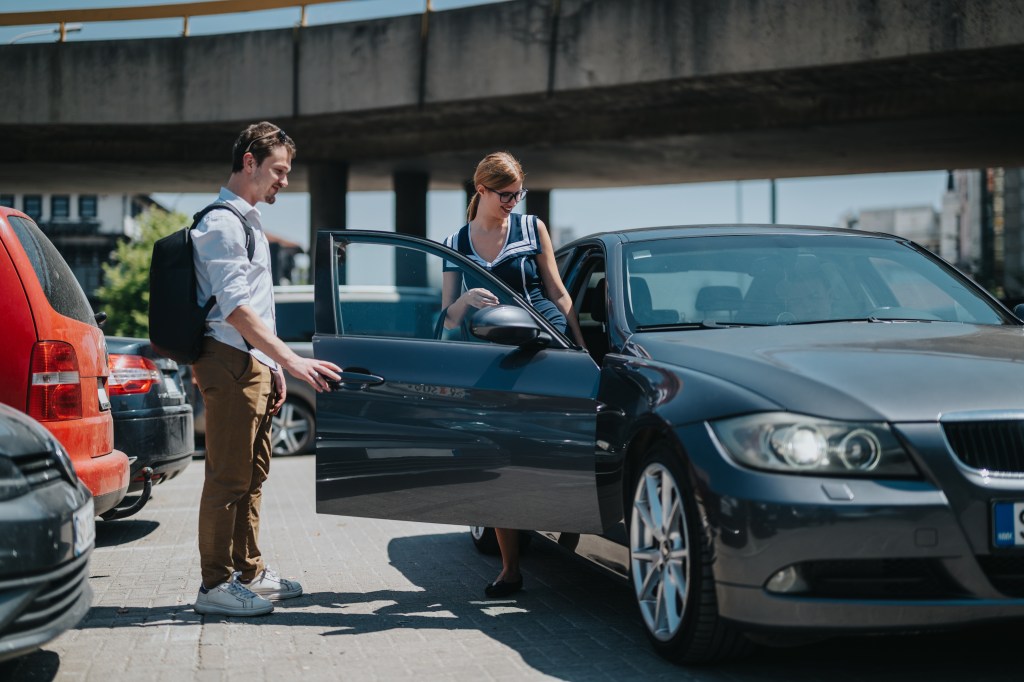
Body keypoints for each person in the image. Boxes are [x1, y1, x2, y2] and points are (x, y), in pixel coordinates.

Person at [190, 121, 342, 617]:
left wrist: (271, 367)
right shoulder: (222, 224)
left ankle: (249, 572)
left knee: (253, 474)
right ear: (249, 162)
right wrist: (291, 360)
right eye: (279, 170)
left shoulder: (249, 221)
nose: (285, 180)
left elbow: (256, 305)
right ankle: (214, 586)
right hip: (228, 360)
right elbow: (236, 308)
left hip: (249, 362)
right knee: (227, 478)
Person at [440, 151, 586, 598]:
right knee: (497, 459)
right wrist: (467, 301)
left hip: (543, 343)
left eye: (518, 193)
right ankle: (510, 569)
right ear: (480, 189)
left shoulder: (530, 227)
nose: (513, 201)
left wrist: (579, 347)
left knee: (544, 448)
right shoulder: (455, 242)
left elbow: (557, 291)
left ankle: (572, 531)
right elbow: (447, 318)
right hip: (492, 356)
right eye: (505, 194)